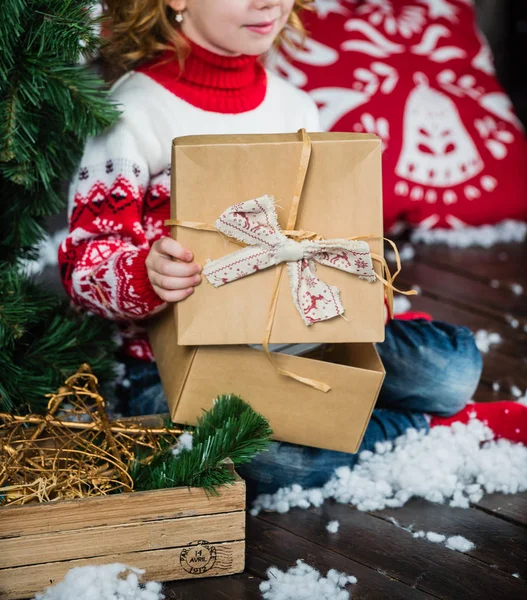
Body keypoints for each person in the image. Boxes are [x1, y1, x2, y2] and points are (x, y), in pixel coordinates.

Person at [58, 0, 525, 501]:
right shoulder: (135, 113)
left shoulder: (296, 105)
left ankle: (358, 409)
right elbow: (83, 264)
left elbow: (319, 231)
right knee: (277, 460)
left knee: (451, 370)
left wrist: (359, 286)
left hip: (299, 335)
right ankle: (423, 428)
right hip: (175, 368)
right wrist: (143, 276)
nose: (270, 3)